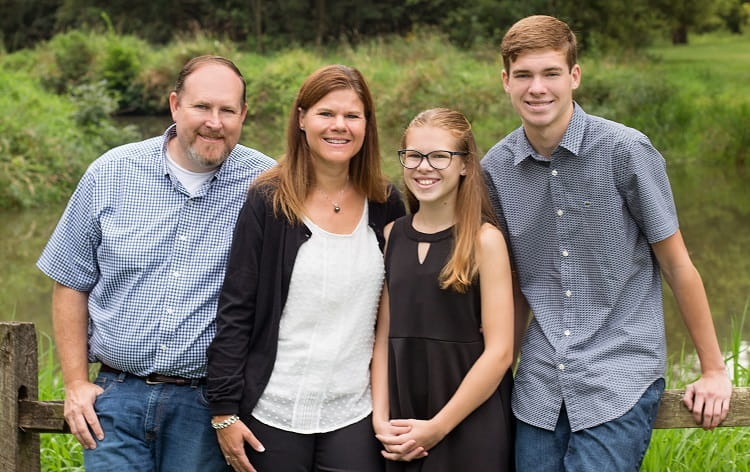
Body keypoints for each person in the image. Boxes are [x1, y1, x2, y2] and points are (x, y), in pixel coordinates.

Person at [481, 15, 732, 471]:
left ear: (574, 76)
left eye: (551, 73)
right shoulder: (496, 168)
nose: (537, 88)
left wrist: (713, 370)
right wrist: (489, 374)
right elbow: (515, 289)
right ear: (506, 81)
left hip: (619, 371)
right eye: (524, 75)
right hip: (538, 381)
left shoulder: (626, 150)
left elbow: (677, 265)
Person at [36, 55, 276, 470]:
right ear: (174, 105)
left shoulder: (267, 184)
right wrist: (76, 382)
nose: (214, 122)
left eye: (227, 110)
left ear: (243, 114)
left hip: (209, 407)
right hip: (116, 399)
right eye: (201, 107)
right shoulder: (110, 173)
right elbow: (71, 281)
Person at [206, 64, 406, 472]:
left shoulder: (386, 202)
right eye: (326, 114)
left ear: (367, 124)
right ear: (301, 119)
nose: (340, 126)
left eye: (352, 115)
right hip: (272, 410)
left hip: (354, 412)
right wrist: (224, 410)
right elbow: (236, 309)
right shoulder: (269, 201)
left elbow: (400, 306)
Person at [371, 108, 515, 471]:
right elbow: (384, 336)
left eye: (440, 156)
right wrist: (380, 418)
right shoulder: (392, 236)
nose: (424, 167)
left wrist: (438, 427)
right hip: (404, 420)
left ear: (465, 164)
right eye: (414, 156)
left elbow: (500, 352)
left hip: (469, 418)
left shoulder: (485, 240)